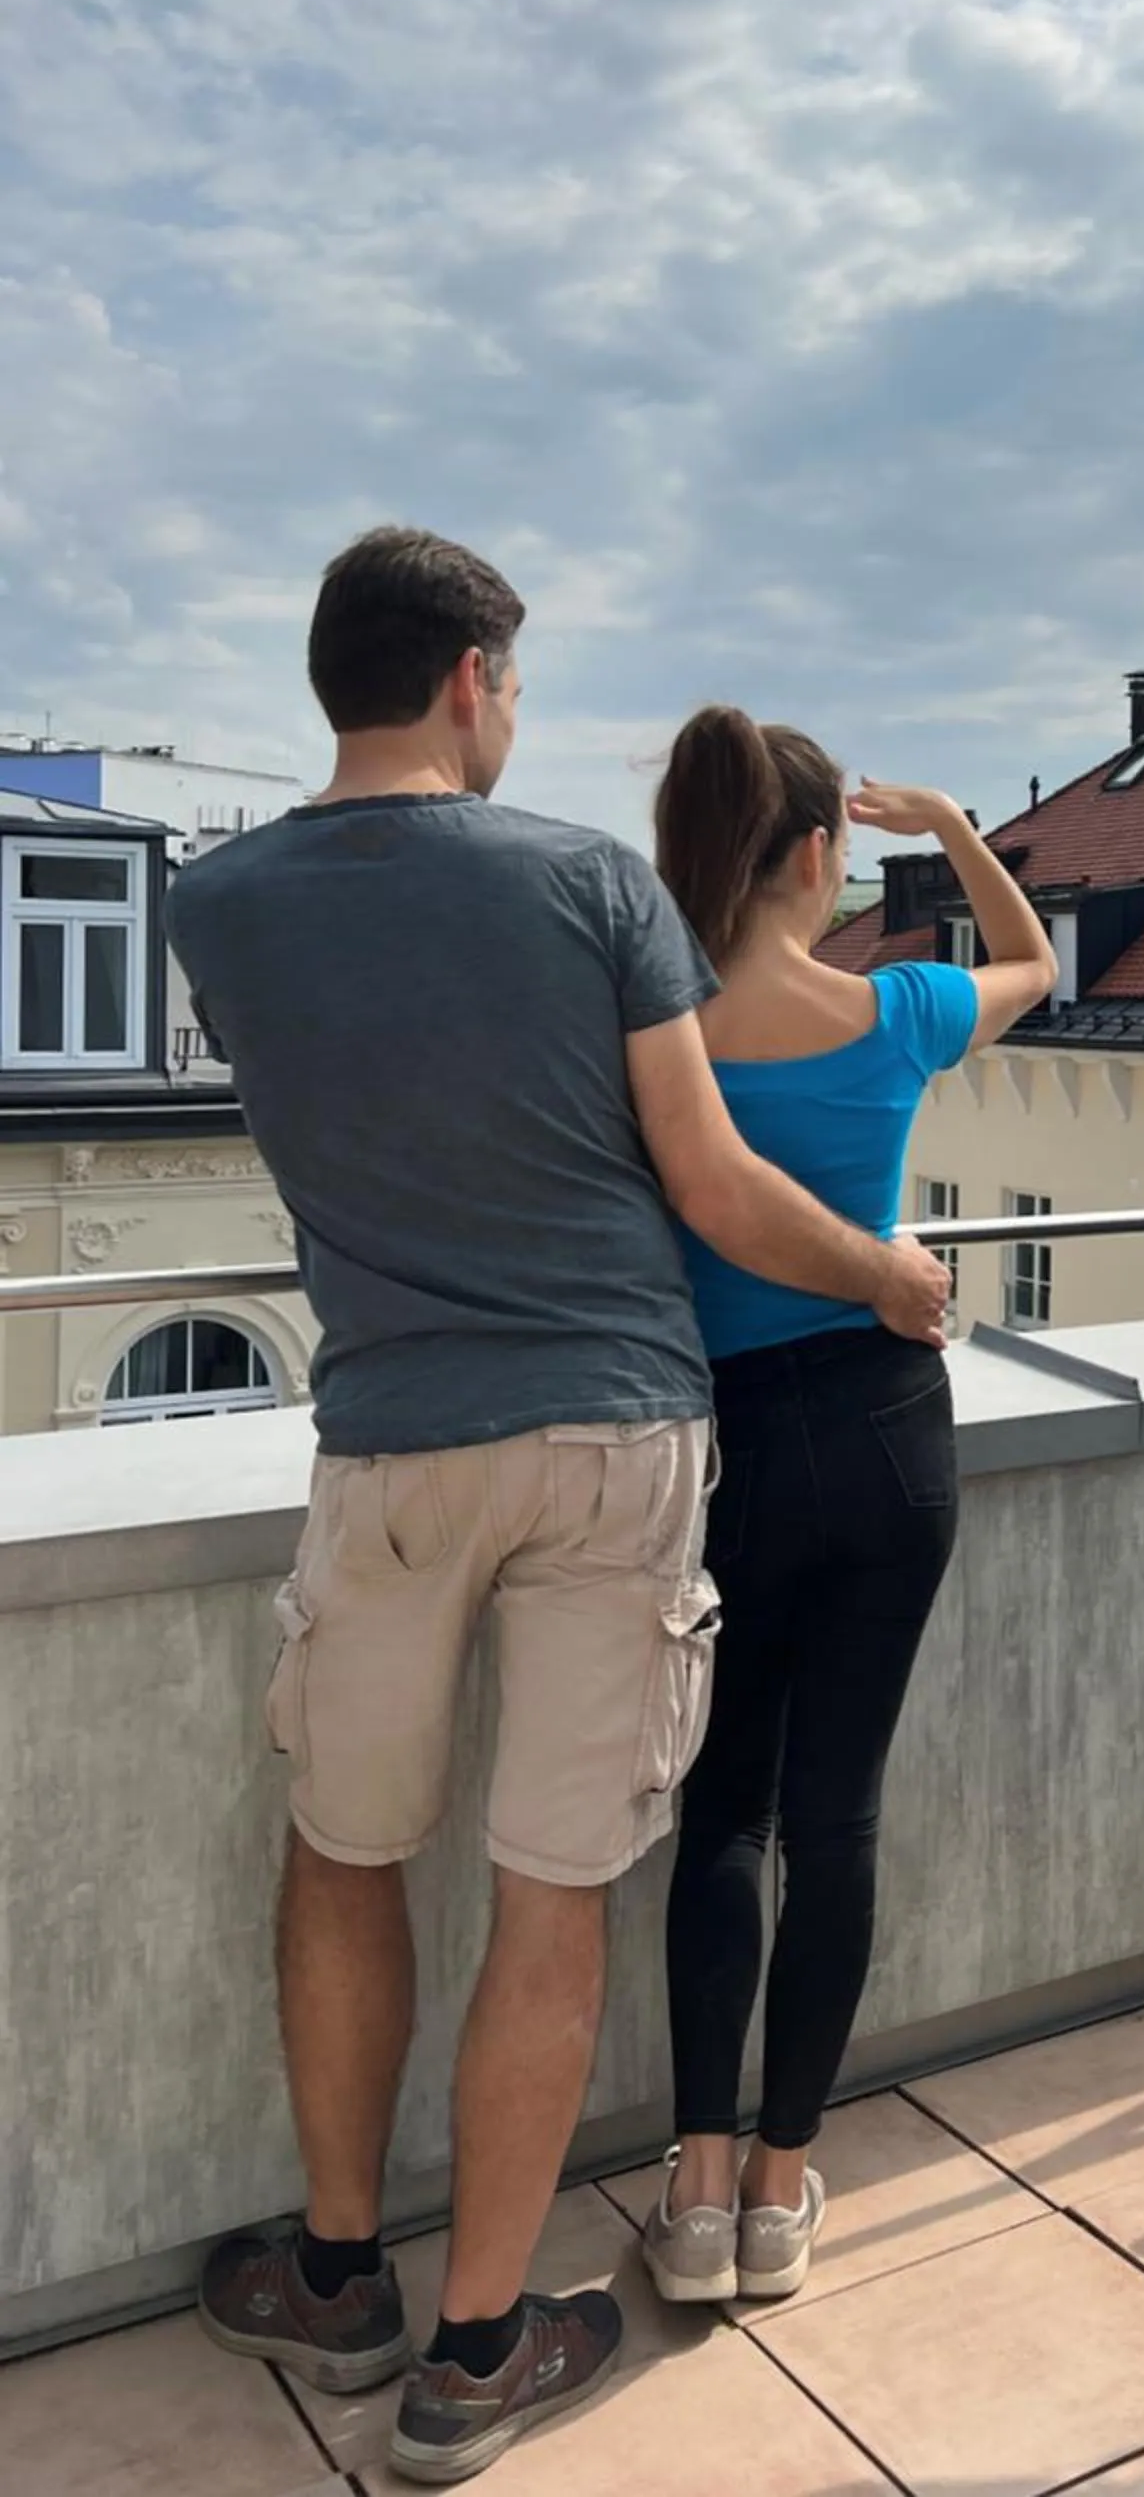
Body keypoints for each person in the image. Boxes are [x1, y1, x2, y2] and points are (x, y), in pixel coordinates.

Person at [169, 530, 952, 2486]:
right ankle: (478, 2353)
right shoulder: (592, 883)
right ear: (463, 680)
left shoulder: (215, 908)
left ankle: (337, 2279)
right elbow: (702, 1181)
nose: (514, 716)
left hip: (392, 1438)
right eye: (510, 684)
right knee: (552, 1893)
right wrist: (883, 1279)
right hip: (615, 1431)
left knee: (345, 1854)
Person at [635, 709, 1054, 2306]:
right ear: (820, 855)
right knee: (838, 1816)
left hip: (720, 1443)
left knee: (722, 1803)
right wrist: (952, 827)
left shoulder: (650, 1025)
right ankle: (782, 2186)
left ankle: (687, 2191)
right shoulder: (897, 1012)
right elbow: (1037, 967)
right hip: (884, 1426)